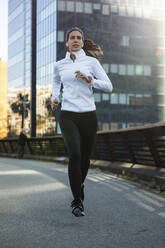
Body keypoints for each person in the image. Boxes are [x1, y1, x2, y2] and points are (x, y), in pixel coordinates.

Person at [51, 27, 113, 217]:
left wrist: (90, 80)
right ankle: (77, 201)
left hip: (88, 115)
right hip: (68, 114)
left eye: (79, 38)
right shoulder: (59, 65)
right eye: (72, 38)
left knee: (85, 158)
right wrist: (54, 98)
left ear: (82, 41)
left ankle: (80, 185)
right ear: (67, 42)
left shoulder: (91, 62)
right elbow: (56, 83)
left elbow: (109, 87)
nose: (76, 40)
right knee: (75, 154)